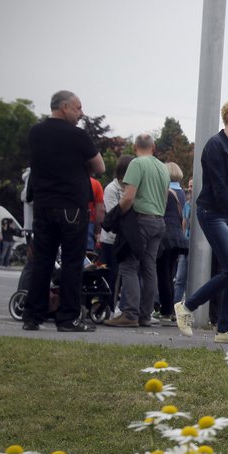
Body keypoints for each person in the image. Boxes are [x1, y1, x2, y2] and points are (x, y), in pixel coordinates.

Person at [174, 99, 228, 345]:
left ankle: (224, 328)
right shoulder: (215, 146)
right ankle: (186, 306)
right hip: (214, 213)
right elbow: (218, 187)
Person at [23, 90, 105, 332]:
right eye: (78, 108)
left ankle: (32, 315)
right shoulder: (78, 135)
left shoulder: (35, 132)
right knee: (71, 262)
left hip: (43, 203)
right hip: (71, 205)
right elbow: (99, 166)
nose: (81, 113)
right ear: (64, 107)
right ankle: (67, 318)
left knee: (43, 261)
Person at [104, 134, 169, 327]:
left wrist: (115, 215)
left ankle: (130, 313)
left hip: (140, 221)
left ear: (135, 148)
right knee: (149, 268)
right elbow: (164, 198)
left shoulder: (137, 164)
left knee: (129, 266)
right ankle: (145, 314)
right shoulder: (162, 168)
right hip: (158, 220)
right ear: (154, 147)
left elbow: (128, 197)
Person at [155, 162, 189, 321]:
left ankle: (165, 309)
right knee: (170, 274)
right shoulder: (181, 193)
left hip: (164, 236)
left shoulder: (163, 191)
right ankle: (169, 308)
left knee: (162, 274)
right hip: (177, 237)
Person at [99, 154, 133, 309]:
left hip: (125, 238)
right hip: (111, 239)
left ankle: (117, 306)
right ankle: (106, 306)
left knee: (122, 275)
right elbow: (114, 213)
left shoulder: (131, 188)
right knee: (110, 275)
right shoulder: (112, 189)